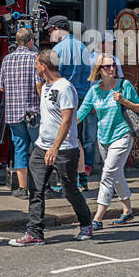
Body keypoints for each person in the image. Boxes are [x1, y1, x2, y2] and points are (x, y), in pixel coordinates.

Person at [10, 49, 94, 246]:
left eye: (37, 64)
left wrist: (55, 148)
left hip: (64, 149)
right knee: (36, 190)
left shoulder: (65, 88)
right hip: (41, 147)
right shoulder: (47, 86)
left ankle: (86, 223)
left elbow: (67, 120)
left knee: (70, 189)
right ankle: (35, 232)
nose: (35, 67)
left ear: (44, 66)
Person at [77, 55, 139, 230]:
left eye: (113, 65)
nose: (112, 69)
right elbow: (80, 113)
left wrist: (123, 100)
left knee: (107, 174)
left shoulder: (124, 85)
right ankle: (128, 210)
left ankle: (97, 218)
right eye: (107, 67)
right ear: (99, 70)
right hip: (103, 138)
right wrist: (64, 125)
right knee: (116, 174)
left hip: (122, 136)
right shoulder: (94, 91)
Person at [48, 15, 94, 190]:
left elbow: (53, 76)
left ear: (59, 29)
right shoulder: (83, 47)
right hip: (81, 97)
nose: (50, 34)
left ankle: (66, 180)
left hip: (64, 98)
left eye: (51, 30)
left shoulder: (58, 49)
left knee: (63, 138)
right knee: (75, 138)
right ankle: (81, 178)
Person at [0, 27, 39, 200]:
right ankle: (40, 184)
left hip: (13, 111)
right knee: (40, 148)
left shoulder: (7, 59)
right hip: (33, 111)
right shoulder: (35, 58)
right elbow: (39, 84)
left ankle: (23, 188)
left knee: (20, 148)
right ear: (30, 41)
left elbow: (2, 86)